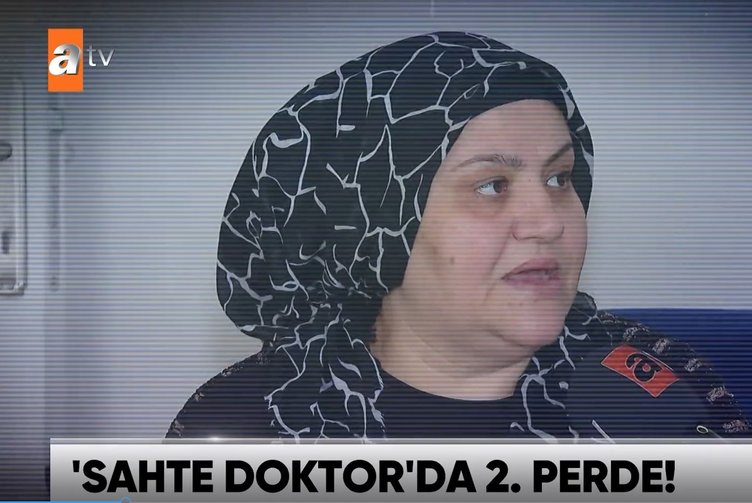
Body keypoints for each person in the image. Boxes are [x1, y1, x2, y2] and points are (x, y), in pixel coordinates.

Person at [166, 31, 749, 441]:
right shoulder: (249, 425)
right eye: (492, 185)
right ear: (371, 227)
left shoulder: (654, 396)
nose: (549, 222)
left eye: (559, 178)